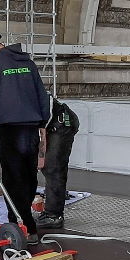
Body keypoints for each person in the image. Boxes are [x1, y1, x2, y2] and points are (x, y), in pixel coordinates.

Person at [0, 29, 50, 243]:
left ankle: (20, 226)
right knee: (29, 177)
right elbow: (43, 96)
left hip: (10, 130)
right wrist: (41, 125)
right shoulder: (28, 63)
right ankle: (27, 225)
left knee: (12, 179)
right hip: (32, 128)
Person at [36, 97, 80, 229]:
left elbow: (40, 132)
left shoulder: (21, 105)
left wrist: (40, 158)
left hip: (61, 123)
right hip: (51, 123)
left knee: (53, 168)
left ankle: (54, 216)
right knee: (47, 166)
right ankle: (51, 210)